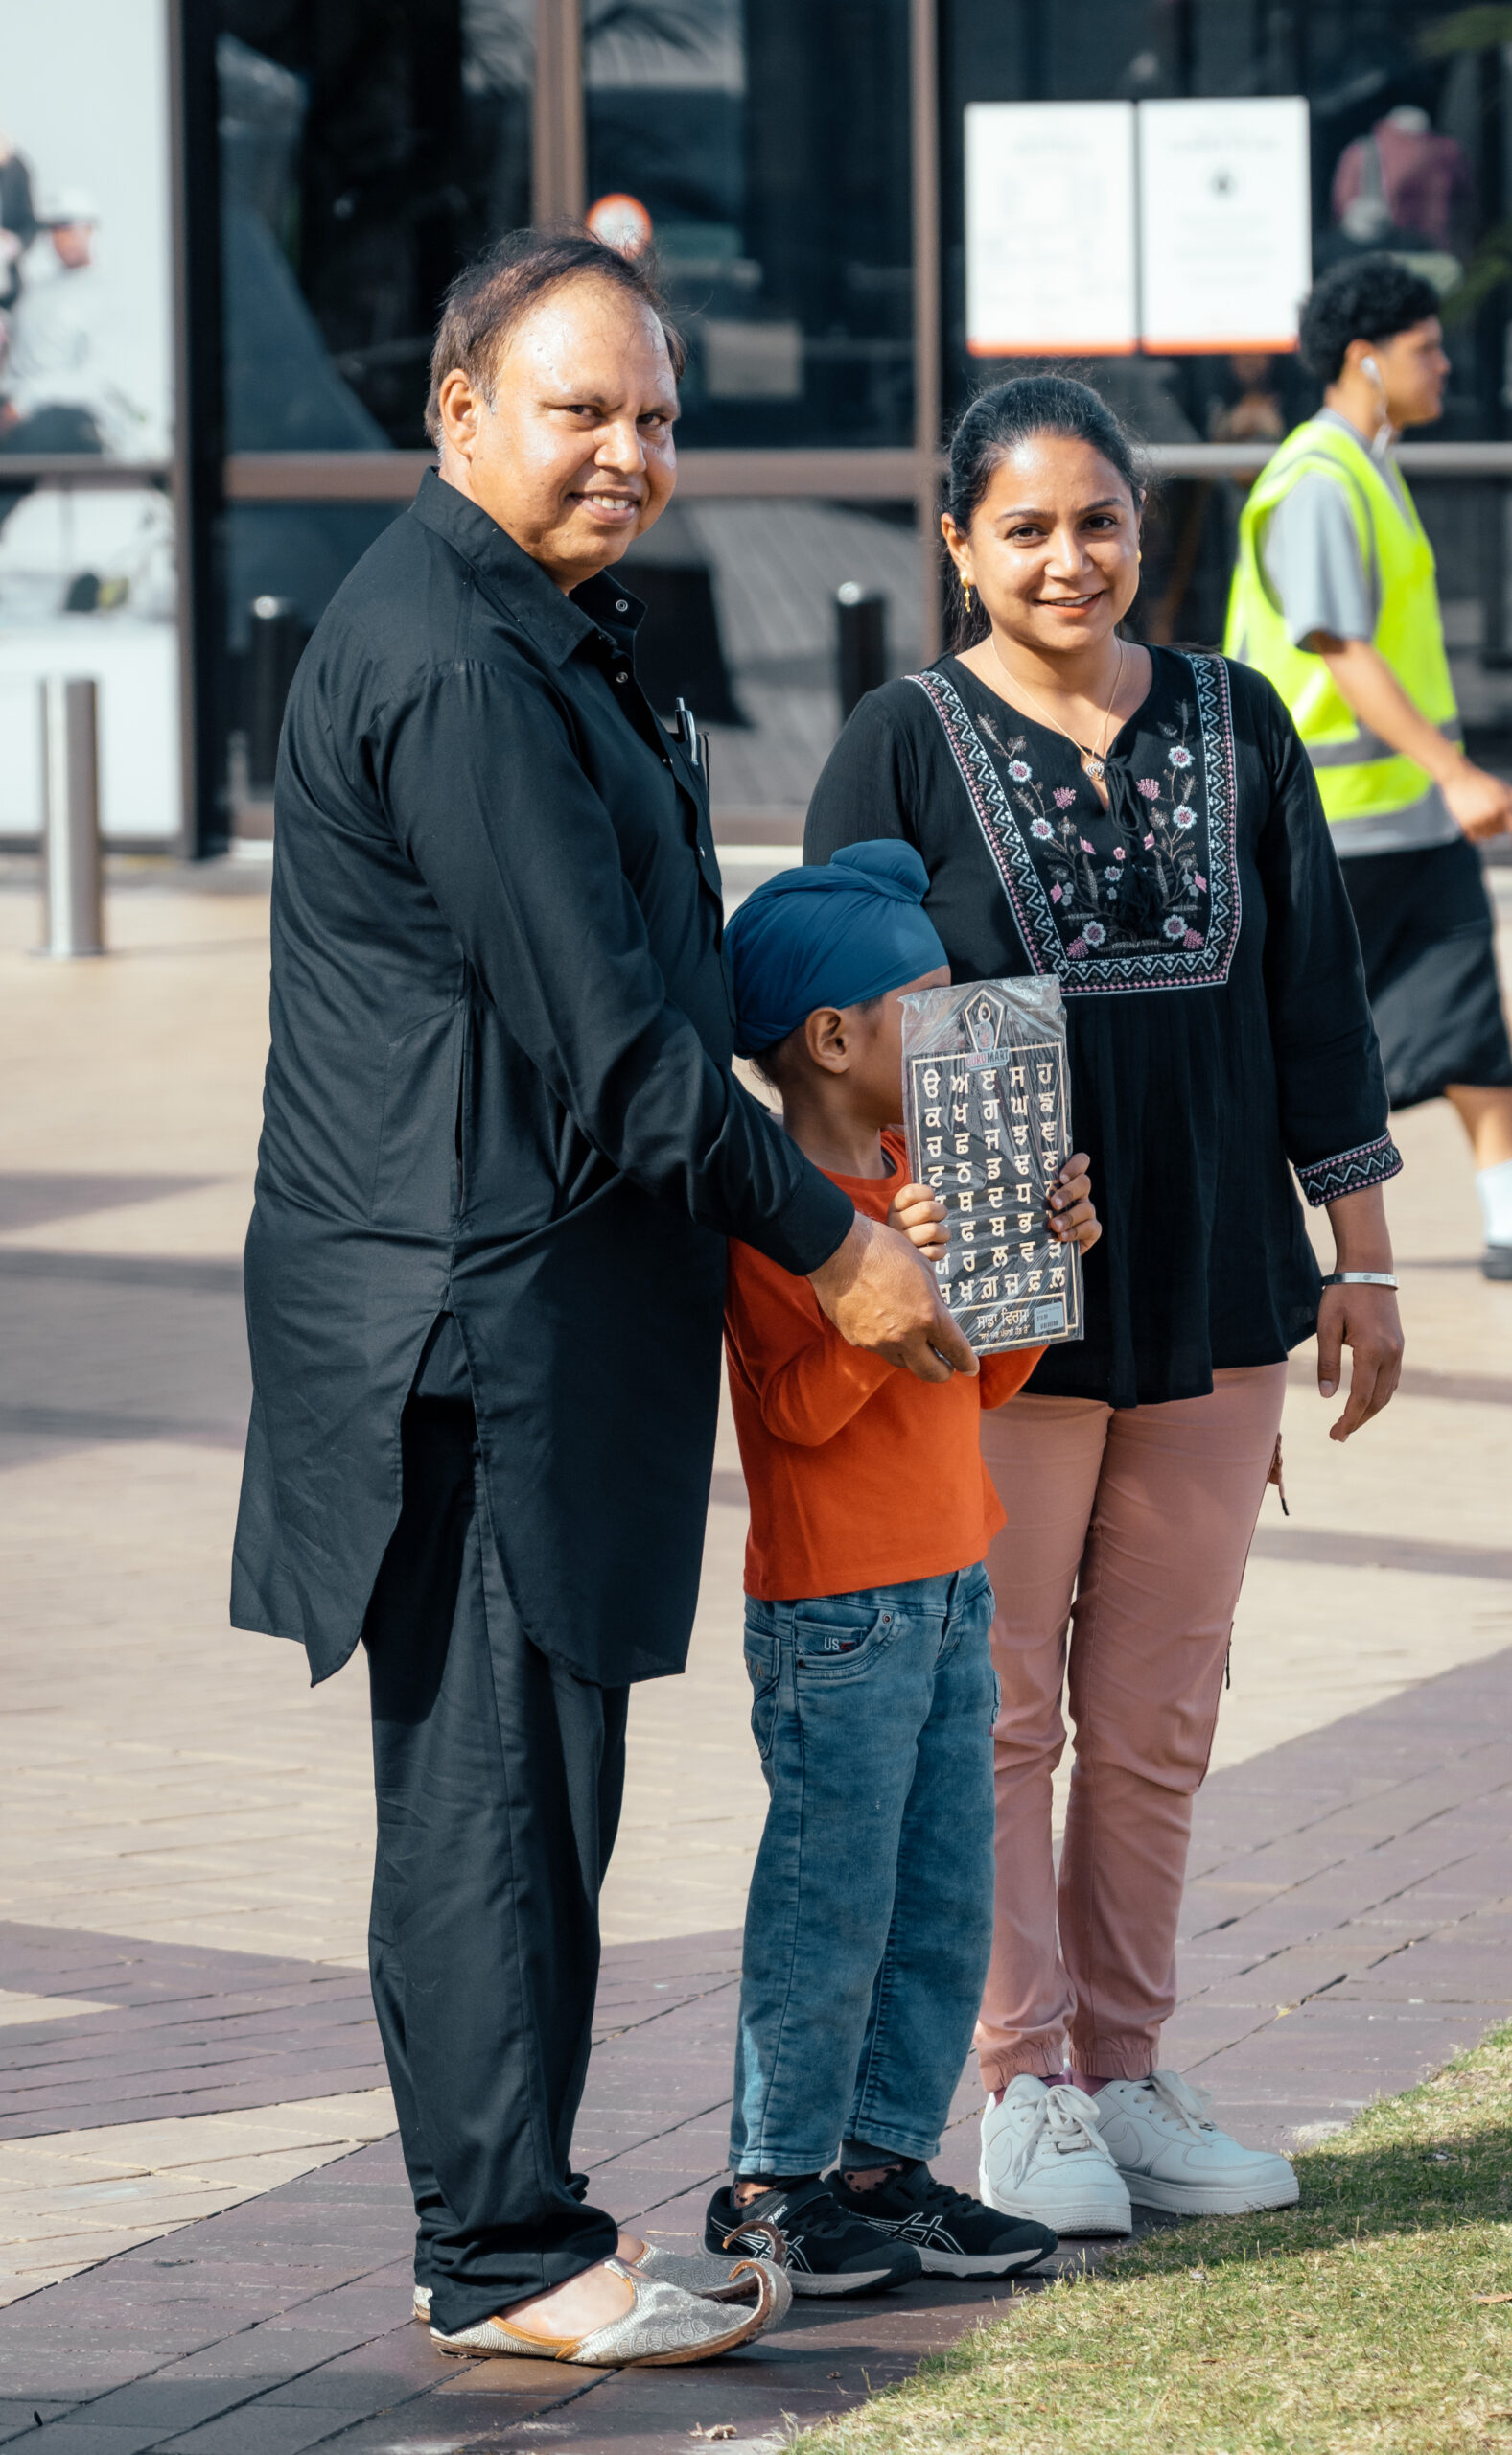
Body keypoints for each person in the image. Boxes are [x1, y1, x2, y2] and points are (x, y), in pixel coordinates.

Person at [230, 227, 971, 2371]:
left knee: (529, 1784)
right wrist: (835, 1244)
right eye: (581, 411)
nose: (628, 452)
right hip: (468, 1329)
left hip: (535, 1304)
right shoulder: (461, 663)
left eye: (655, 415)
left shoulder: (543, 629)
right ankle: (507, 2255)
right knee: (493, 1794)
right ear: (458, 410)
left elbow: (668, 989)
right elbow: (623, 1048)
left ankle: (511, 2227)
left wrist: (872, 1145)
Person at [804, 374, 1404, 2235]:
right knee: (999, 1714)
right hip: (1007, 1311)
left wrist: (1365, 1256)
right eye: (1026, 529)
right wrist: (896, 1202)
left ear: (1144, 526)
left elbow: (1318, 997)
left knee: (1155, 1716)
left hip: (1223, 1281)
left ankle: (1132, 2076)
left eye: (1100, 521)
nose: (1068, 559)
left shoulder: (1239, 719)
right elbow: (818, 1026)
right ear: (957, 545)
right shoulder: (901, 743)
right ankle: (1026, 2089)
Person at [704, 840, 1097, 2295]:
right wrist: (884, 1283)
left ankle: (883, 2168)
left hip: (952, 1584)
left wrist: (1035, 1268)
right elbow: (798, 1414)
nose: (953, 1028)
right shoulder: (784, 1218)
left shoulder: (920, 1177)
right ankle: (772, 2184)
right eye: (923, 1004)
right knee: (830, 1905)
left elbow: (981, 1384)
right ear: (832, 1038)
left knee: (942, 1903)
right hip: (836, 1615)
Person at [1226, 255, 1512, 1282]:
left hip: (1402, 817)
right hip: (1330, 824)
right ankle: (1230, 1231)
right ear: (1365, 360)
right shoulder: (1318, 480)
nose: (1446, 365)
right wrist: (1455, 772)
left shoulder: (1368, 467)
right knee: (1286, 1040)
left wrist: (1440, 782)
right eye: (1426, 348)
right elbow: (1341, 649)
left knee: (1466, 996)